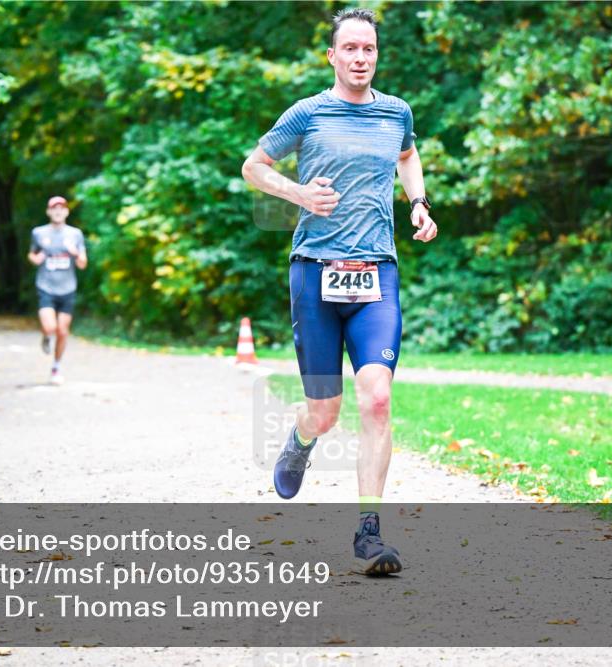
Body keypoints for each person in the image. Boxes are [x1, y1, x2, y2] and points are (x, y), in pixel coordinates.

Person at [241, 8, 437, 575]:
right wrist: (299, 194)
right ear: (332, 56)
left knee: (376, 397)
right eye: (349, 48)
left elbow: (406, 154)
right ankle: (303, 438)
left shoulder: (396, 113)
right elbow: (254, 167)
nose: (359, 58)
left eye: (368, 49)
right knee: (325, 411)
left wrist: (419, 202)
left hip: (377, 272)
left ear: (377, 55)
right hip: (315, 272)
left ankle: (370, 533)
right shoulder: (308, 113)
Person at [28, 196, 87, 385]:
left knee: (62, 330)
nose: (58, 211)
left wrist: (75, 252)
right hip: (46, 286)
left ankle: (56, 366)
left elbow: (83, 264)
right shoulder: (39, 233)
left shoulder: (75, 234)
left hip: (67, 287)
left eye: (62, 208)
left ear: (67, 212)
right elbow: (32, 254)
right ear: (48, 212)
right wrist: (35, 259)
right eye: (54, 208)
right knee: (50, 327)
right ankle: (46, 337)